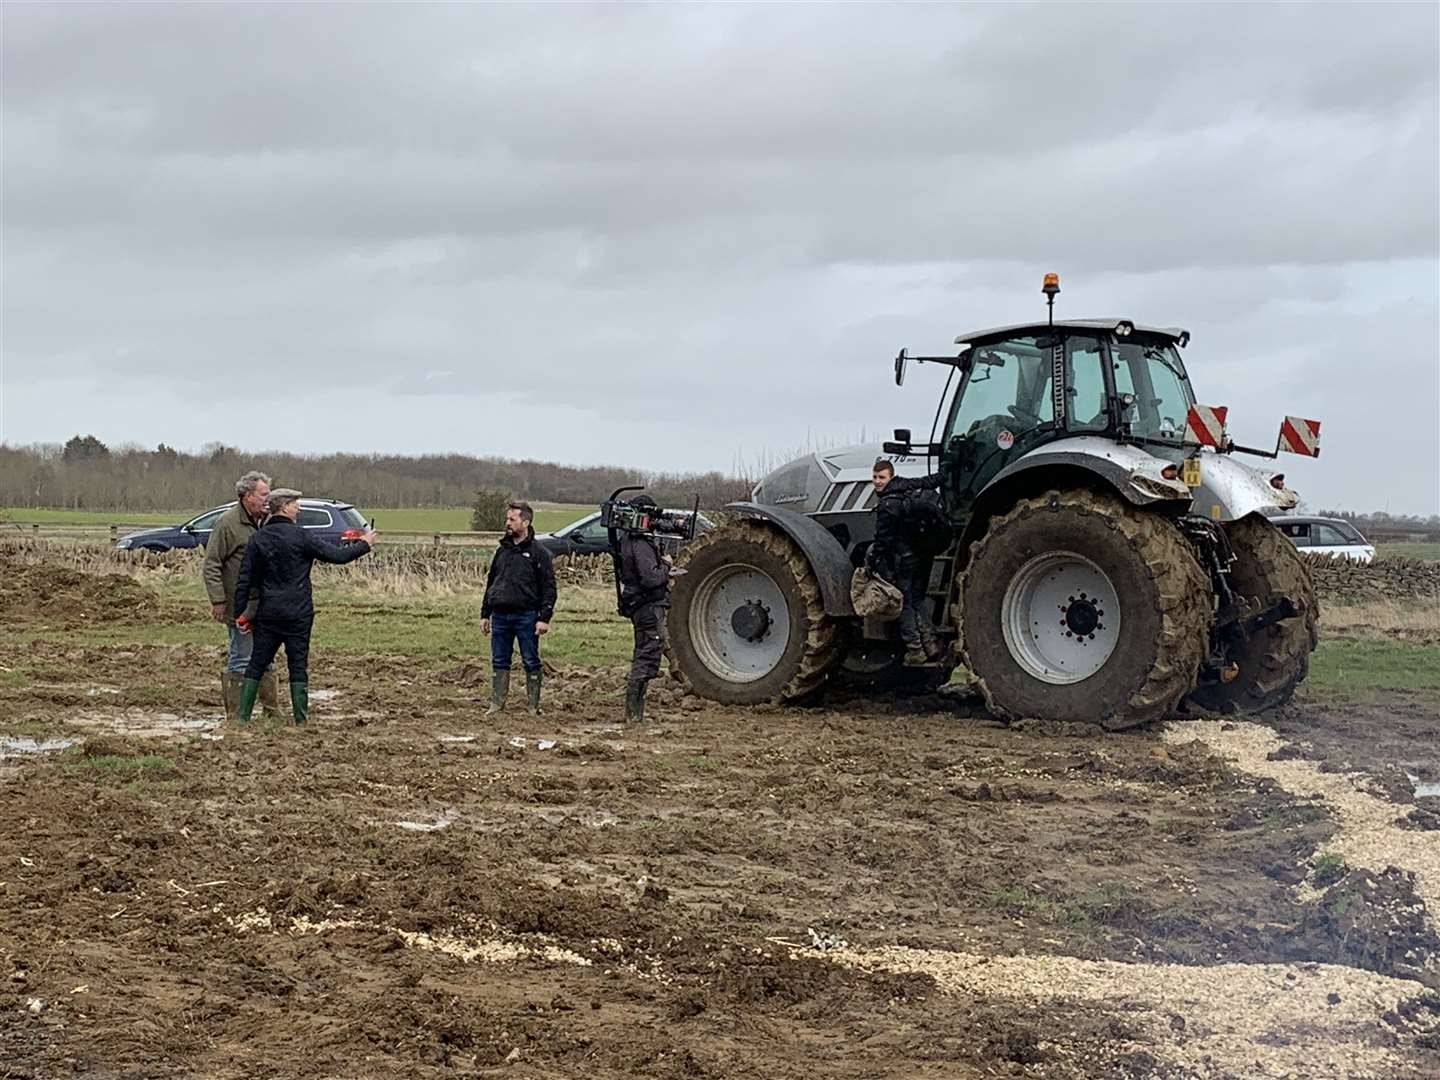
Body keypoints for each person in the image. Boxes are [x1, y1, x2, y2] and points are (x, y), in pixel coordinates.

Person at [232, 489, 376, 725]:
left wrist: (241, 614)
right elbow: (338, 556)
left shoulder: (258, 538)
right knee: (298, 664)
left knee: (257, 662)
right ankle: (301, 721)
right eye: (296, 503)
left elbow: (245, 580)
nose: (299, 508)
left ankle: (242, 719)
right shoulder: (302, 536)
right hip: (299, 613)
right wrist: (364, 545)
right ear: (285, 507)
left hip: (268, 613)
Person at [201, 470, 283, 723]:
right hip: (239, 605)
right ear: (247, 496)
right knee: (241, 656)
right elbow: (211, 564)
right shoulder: (228, 523)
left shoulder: (269, 521)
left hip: (266, 604)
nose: (267, 500)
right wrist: (218, 600)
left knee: (267, 655)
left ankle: (272, 712)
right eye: (263, 495)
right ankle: (236, 716)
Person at [865, 460, 948, 666]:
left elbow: (883, 540)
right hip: (922, 556)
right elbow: (928, 481)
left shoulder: (887, 504)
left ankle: (915, 650)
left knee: (904, 604)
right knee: (917, 600)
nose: (877, 482)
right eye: (875, 477)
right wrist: (945, 472)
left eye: (881, 477)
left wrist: (873, 563)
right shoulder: (907, 488)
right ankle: (931, 644)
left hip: (904, 560)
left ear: (890, 477)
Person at [480, 501, 557, 717]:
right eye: (507, 519)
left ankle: (533, 707)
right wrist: (485, 614)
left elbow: (549, 588)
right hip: (500, 616)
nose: (508, 523)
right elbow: (491, 582)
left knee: (530, 660)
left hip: (527, 616)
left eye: (512, 519)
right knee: (499, 660)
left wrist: (544, 617)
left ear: (526, 522)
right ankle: (496, 705)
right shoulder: (502, 551)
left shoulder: (539, 553)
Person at [615, 496, 673, 723]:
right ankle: (633, 714)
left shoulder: (626, 540)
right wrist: (667, 566)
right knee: (648, 654)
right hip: (648, 605)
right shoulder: (640, 544)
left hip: (639, 604)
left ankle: (635, 713)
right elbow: (650, 578)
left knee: (642, 653)